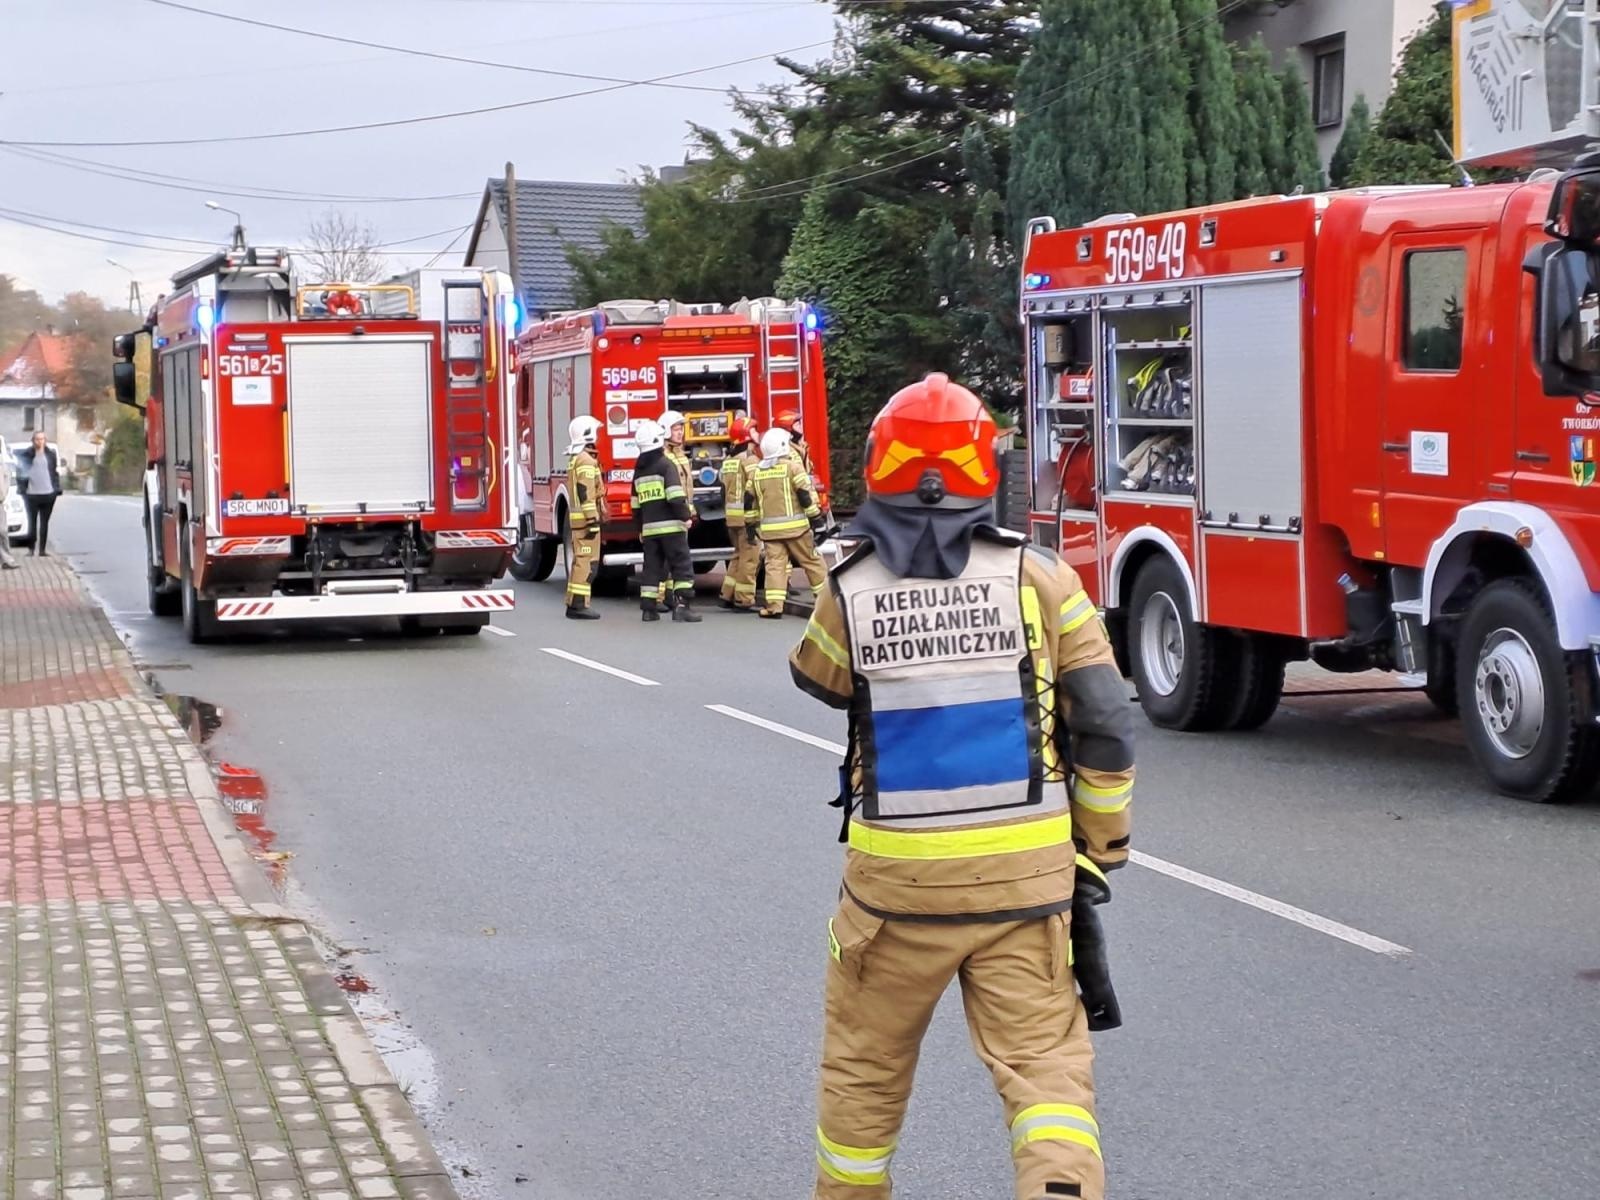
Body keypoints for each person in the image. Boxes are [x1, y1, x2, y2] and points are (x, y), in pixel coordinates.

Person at [789, 373, 1136, 1200]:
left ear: (879, 465)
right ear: (986, 467)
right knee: (1047, 1080)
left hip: (895, 895)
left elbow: (820, 680)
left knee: (865, 1076)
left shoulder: (848, 588)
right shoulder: (1043, 578)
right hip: (1026, 888)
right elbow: (1105, 722)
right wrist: (1102, 845)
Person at [748, 428, 826, 619]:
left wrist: (751, 525)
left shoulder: (756, 473)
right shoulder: (793, 468)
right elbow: (805, 496)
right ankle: (827, 602)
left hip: (770, 533)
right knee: (812, 562)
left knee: (775, 567)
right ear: (783, 446)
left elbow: (749, 502)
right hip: (797, 530)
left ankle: (774, 607)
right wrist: (816, 519)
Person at [630, 419, 700, 623]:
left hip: (649, 530)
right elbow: (675, 496)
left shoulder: (639, 470)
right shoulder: (665, 465)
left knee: (652, 569)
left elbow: (635, 505)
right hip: (672, 528)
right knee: (681, 566)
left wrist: (640, 528)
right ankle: (682, 607)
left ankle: (648, 610)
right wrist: (686, 516)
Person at [564, 415, 607, 620]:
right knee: (587, 563)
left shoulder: (577, 458)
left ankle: (575, 602)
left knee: (581, 561)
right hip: (585, 522)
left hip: (578, 521)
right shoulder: (586, 460)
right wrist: (592, 519)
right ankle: (579, 606)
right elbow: (585, 491)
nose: (597, 436)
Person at [718, 417, 761, 612]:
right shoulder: (750, 459)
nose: (757, 434)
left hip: (732, 518)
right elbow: (754, 488)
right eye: (754, 430)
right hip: (747, 518)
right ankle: (744, 599)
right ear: (746, 435)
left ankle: (726, 594)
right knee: (750, 558)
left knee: (738, 555)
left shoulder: (728, 461)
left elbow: (722, 491)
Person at [659, 410, 695, 612]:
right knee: (665, 557)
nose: (680, 432)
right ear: (665, 431)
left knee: (676, 557)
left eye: (681, 428)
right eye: (675, 429)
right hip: (669, 513)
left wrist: (689, 510)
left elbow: (686, 487)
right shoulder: (663, 456)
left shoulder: (680, 455)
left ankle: (669, 595)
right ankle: (658, 597)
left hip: (681, 513)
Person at [776, 408, 830, 517]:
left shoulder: (801, 447)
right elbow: (802, 483)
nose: (801, 427)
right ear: (788, 430)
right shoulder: (788, 452)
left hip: (807, 502)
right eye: (797, 425)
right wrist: (814, 508)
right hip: (798, 504)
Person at [19, 432, 61, 557]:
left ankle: (42, 550)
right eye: (37, 439)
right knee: (32, 523)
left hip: (48, 493)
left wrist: (56, 489)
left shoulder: (51, 455)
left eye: (42, 439)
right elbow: (20, 472)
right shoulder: (26, 455)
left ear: (45, 440)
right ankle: (31, 549)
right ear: (33, 441)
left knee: (44, 523)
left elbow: (54, 472)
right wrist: (23, 489)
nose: (39, 441)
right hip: (31, 494)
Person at [0, 458, 19, 570]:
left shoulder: (3, 465)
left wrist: (4, 493)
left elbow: (7, 478)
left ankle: (7, 560)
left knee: (2, 531)